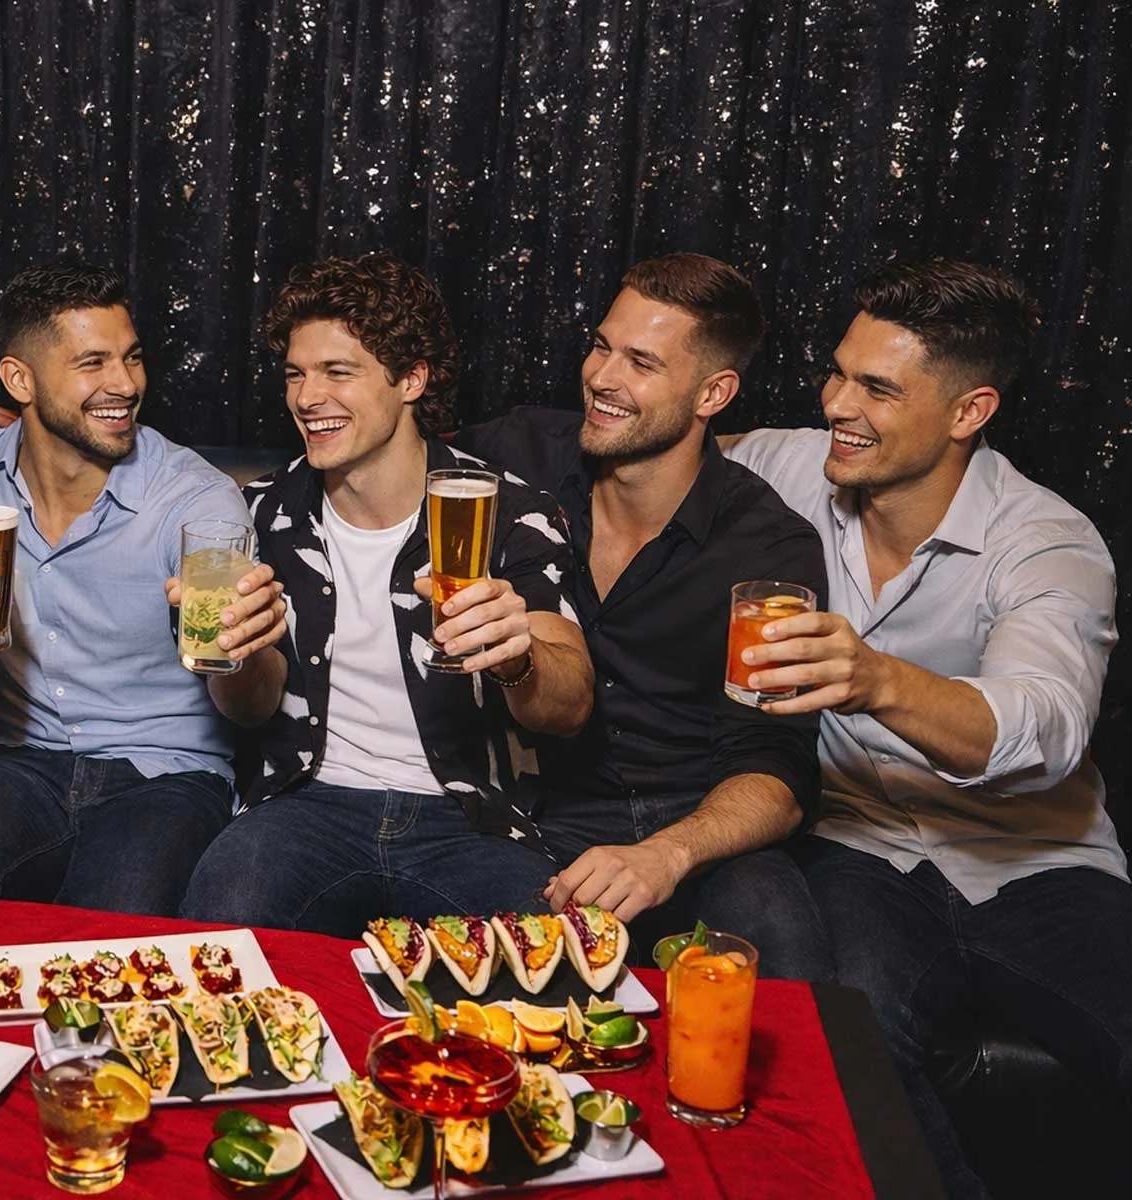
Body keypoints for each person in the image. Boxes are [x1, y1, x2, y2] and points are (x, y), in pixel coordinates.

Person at [725, 260, 1128, 1196]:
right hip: (857, 852)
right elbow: (671, 442)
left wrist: (874, 680)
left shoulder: (1048, 541)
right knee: (847, 1061)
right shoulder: (791, 466)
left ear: (968, 411)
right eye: (836, 373)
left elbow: (1044, 726)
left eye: (876, 388)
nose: (837, 405)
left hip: (1037, 864)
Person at [178, 253, 592, 936]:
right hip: (304, 806)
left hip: (467, 820)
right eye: (295, 373)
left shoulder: (504, 511)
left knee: (549, 975)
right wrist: (238, 649)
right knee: (216, 937)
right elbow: (249, 711)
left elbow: (571, 704)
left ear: (411, 379)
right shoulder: (259, 515)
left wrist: (518, 658)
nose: (307, 397)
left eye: (338, 372)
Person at [456, 253, 834, 980]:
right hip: (536, 813)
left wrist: (670, 853)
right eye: (601, 345)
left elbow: (776, 769)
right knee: (501, 988)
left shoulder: (765, 544)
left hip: (700, 828)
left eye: (641, 362)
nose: (601, 377)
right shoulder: (518, 453)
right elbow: (383, 456)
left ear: (712, 393)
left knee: (783, 963)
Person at [0, 261, 288, 915]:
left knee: (114, 927)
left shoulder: (196, 503)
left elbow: (250, 709)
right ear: (18, 379)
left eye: (133, 358)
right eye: (93, 363)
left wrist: (245, 649)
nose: (125, 384)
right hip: (19, 762)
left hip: (166, 774)